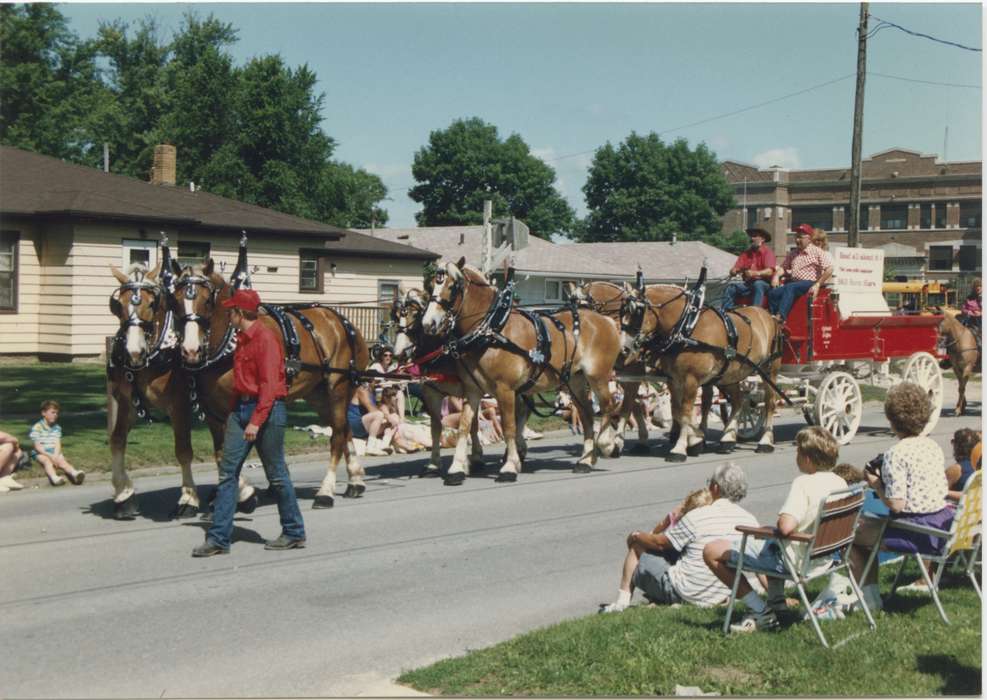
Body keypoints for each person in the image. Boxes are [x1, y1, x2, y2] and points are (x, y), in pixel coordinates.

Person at [192, 288, 306, 557]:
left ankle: (293, 531)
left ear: (240, 313)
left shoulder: (265, 339)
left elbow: (269, 386)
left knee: (277, 475)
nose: (228, 314)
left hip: (266, 411)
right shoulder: (241, 339)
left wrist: (255, 421)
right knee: (228, 473)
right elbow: (242, 382)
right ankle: (219, 538)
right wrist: (234, 413)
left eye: (231, 310)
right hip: (240, 409)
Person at [704, 426, 846, 633]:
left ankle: (760, 610)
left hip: (796, 561)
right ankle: (777, 603)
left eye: (798, 452)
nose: (796, 456)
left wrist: (777, 525)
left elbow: (786, 527)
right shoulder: (839, 481)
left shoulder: (804, 483)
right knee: (771, 541)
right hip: (823, 558)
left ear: (807, 458)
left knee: (712, 551)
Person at [598, 462, 759, 613]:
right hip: (723, 592)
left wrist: (637, 535)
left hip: (686, 593)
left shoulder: (698, 516)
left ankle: (621, 603)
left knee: (638, 547)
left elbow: (660, 543)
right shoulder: (750, 520)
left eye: (710, 482)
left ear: (715, 488)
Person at [847, 382, 952, 609]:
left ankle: (869, 597)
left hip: (916, 530)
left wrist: (876, 484)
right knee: (866, 528)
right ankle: (870, 596)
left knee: (853, 534)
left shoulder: (897, 453)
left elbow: (896, 504)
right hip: (941, 525)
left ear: (892, 419)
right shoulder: (932, 445)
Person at [768, 223, 834, 322]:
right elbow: (783, 267)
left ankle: (781, 317)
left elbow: (829, 269)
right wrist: (776, 276)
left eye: (800, 237)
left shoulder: (817, 251)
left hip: (809, 282)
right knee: (773, 293)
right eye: (796, 237)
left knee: (791, 287)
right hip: (795, 283)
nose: (797, 240)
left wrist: (817, 284)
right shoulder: (793, 253)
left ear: (809, 238)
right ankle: (772, 319)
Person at [30, 400, 85, 487]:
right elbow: (37, 447)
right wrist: (50, 456)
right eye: (52, 412)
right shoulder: (37, 427)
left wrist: (55, 455)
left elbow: (57, 444)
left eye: (56, 413)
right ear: (44, 413)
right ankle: (54, 478)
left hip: (53, 451)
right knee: (47, 461)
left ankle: (74, 473)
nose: (55, 415)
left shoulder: (57, 428)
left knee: (62, 461)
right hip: (40, 452)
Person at [721, 227, 777, 311]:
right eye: (751, 236)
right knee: (731, 287)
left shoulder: (768, 252)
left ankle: (755, 312)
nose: (751, 238)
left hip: (766, 284)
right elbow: (735, 268)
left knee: (758, 284)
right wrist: (733, 271)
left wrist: (755, 273)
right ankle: (726, 312)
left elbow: (770, 271)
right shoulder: (745, 254)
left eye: (754, 236)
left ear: (762, 239)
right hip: (748, 284)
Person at [349, 383, 392, 456]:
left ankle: (384, 445)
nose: (379, 382)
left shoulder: (372, 391)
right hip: (355, 425)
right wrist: (385, 417)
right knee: (379, 415)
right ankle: (370, 447)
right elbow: (372, 410)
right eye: (377, 380)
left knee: (391, 423)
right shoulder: (361, 390)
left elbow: (378, 407)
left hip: (364, 425)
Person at [369, 348, 406, 420]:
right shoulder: (376, 366)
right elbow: (371, 381)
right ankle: (390, 416)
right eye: (385, 355)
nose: (388, 357)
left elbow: (395, 383)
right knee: (391, 396)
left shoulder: (391, 368)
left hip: (387, 392)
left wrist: (399, 376)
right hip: (376, 392)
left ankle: (401, 418)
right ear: (381, 356)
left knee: (399, 394)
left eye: (390, 355)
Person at [945, 427, 981, 500]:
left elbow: (937, 491)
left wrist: (946, 492)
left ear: (956, 446)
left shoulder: (956, 469)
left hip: (960, 508)